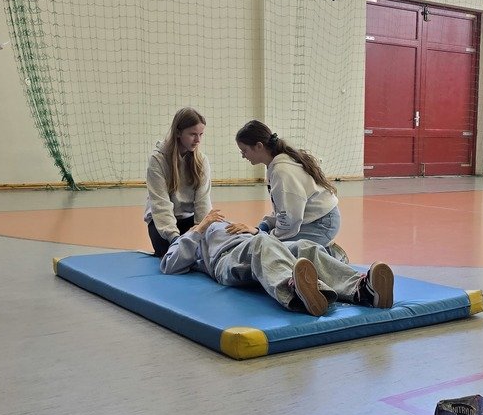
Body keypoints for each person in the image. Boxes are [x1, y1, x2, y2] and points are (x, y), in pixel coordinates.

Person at [161, 210, 393, 317]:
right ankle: (297, 292)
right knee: (262, 243)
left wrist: (253, 230)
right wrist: (199, 229)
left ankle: (362, 289)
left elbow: (264, 242)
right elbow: (169, 265)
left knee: (304, 246)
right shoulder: (191, 237)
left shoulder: (227, 225)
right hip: (228, 260)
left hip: (256, 245)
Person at [235, 120, 342, 248]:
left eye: (244, 151)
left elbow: (290, 221)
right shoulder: (276, 165)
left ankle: (332, 255)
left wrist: (261, 234)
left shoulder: (281, 171)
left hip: (322, 224)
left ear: (259, 146)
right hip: (313, 220)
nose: (243, 156)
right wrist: (265, 226)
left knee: (270, 249)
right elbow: (283, 210)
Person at [144, 107, 212, 257]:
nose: (198, 140)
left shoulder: (201, 161)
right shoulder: (157, 160)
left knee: (203, 253)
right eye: (193, 134)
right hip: (162, 222)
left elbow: (203, 202)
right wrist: (174, 238)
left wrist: (200, 231)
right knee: (175, 255)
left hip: (189, 220)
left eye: (201, 134)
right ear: (178, 132)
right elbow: (160, 204)